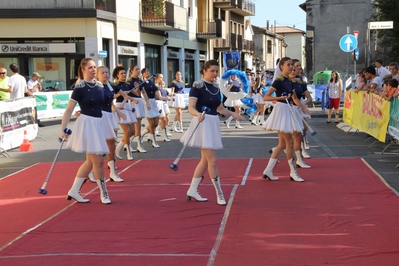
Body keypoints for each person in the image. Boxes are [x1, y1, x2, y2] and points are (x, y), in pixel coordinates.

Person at [182, 59, 245, 205]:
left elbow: (220, 109)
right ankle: (219, 193)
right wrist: (197, 114)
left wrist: (234, 114)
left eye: (217, 71)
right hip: (202, 123)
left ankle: (192, 189)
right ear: (204, 71)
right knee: (213, 160)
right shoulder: (197, 86)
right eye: (212, 71)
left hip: (213, 123)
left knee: (205, 160)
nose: (215, 74)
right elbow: (190, 107)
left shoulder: (217, 87)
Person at [61, 58, 111, 204]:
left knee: (90, 162)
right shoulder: (80, 87)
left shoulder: (101, 86)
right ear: (83, 70)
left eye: (94, 67)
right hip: (87, 125)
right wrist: (62, 128)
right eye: (90, 67)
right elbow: (69, 109)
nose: (93, 69)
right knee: (99, 161)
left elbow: (103, 106)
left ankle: (74, 190)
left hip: (98, 123)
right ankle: (104, 193)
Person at [262, 57, 311, 182]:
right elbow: (266, 97)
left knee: (282, 144)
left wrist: (303, 108)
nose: (291, 67)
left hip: (289, 110)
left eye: (291, 65)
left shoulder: (290, 81)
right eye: (288, 65)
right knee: (288, 142)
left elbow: (294, 99)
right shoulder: (279, 80)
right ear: (281, 67)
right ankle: (293, 172)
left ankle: (268, 170)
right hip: (281, 111)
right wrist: (280, 98)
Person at [112, 66, 137, 160]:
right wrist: (122, 93)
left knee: (132, 132)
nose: (123, 75)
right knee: (127, 131)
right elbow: (113, 97)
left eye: (124, 73)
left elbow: (136, 93)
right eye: (121, 73)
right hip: (119, 106)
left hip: (127, 106)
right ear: (117, 75)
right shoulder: (115, 85)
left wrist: (135, 87)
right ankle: (128, 152)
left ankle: (118, 148)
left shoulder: (128, 83)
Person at [127, 64, 147, 153]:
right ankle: (137, 145)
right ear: (131, 71)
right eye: (136, 69)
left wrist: (147, 101)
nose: (138, 71)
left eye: (139, 69)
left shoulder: (140, 80)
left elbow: (141, 93)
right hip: (133, 102)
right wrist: (137, 89)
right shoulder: (129, 81)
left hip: (139, 101)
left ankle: (129, 144)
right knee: (135, 125)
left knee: (138, 123)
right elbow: (133, 93)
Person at [141, 67, 161, 148]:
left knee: (156, 123)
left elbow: (156, 90)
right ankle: (154, 141)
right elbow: (142, 93)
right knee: (151, 123)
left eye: (148, 71)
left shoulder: (151, 81)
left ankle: (142, 134)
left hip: (153, 102)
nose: (147, 73)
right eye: (145, 72)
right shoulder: (142, 82)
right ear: (142, 74)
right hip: (147, 101)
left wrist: (158, 96)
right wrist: (146, 102)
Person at [155, 74, 173, 141]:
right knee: (156, 121)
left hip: (161, 103)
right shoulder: (156, 86)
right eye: (160, 77)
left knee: (163, 119)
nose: (162, 79)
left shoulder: (160, 87)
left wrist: (169, 97)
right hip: (157, 103)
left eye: (162, 77)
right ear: (157, 78)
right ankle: (152, 134)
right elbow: (159, 97)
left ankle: (165, 135)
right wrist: (167, 99)